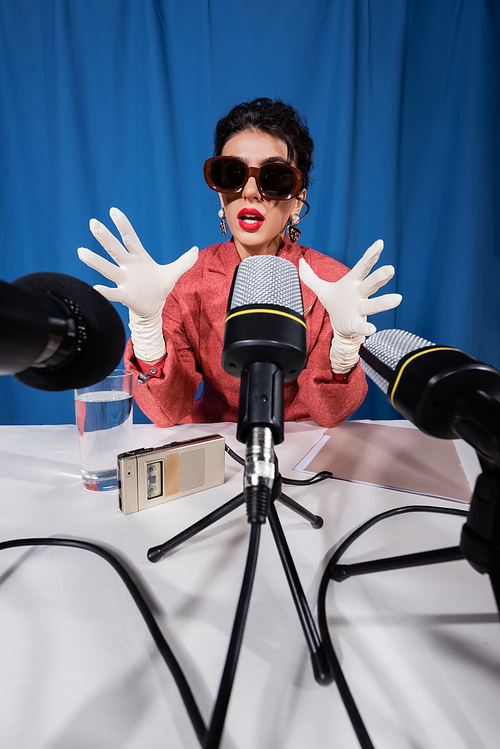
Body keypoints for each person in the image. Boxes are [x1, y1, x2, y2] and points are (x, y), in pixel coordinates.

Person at [78, 98, 401, 428]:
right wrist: (146, 331)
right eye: (233, 173)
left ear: (297, 199)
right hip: (216, 445)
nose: (250, 192)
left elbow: (329, 415)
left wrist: (344, 353)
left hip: (305, 443)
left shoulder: (332, 282)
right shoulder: (187, 281)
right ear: (220, 194)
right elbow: (167, 411)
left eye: (274, 178)